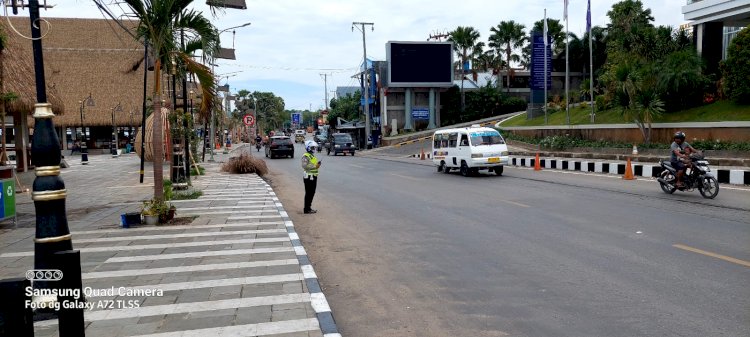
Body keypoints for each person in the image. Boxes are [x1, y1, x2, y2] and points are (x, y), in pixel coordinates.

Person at [301, 140, 321, 214]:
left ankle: (308, 207)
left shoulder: (312, 155)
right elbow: (304, 166)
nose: (314, 149)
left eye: (314, 147)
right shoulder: (306, 156)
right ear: (308, 148)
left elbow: (314, 166)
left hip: (313, 176)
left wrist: (317, 165)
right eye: (312, 147)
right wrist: (315, 166)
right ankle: (306, 209)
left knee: (312, 192)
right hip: (308, 177)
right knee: (309, 193)